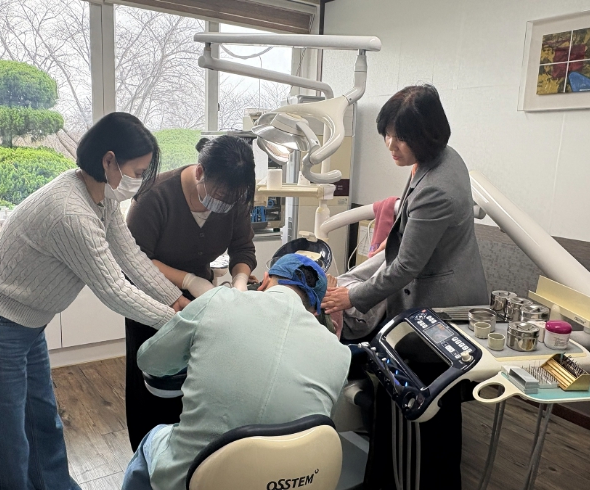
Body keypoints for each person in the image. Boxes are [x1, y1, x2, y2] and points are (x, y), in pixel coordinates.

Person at [0, 112, 189, 490]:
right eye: (137, 171)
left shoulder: (100, 198)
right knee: (4, 449)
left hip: (28, 327)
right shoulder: (70, 211)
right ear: (109, 161)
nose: (140, 180)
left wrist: (177, 299)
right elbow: (114, 289)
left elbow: (131, 258)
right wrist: (179, 324)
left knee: (43, 428)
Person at [322, 84, 488, 490]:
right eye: (388, 134)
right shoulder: (437, 160)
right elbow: (405, 241)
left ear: (427, 135)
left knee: (426, 413)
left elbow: (406, 268)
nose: (390, 145)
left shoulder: (438, 188)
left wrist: (350, 296)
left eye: (401, 138)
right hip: (431, 295)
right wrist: (388, 245)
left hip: (440, 310)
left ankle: (414, 482)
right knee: (409, 408)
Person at [122, 254, 351, 490]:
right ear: (315, 311)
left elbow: (149, 361)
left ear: (264, 280)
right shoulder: (340, 354)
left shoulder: (218, 301)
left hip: (196, 478)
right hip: (286, 481)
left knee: (153, 438)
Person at [124, 135, 257, 451]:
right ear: (199, 173)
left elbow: (242, 248)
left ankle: (190, 454)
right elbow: (135, 259)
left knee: (195, 382)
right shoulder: (154, 196)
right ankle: (147, 457)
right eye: (220, 197)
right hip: (149, 301)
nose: (225, 205)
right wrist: (188, 281)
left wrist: (240, 282)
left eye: (233, 200)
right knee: (153, 383)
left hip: (200, 299)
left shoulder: (234, 197)